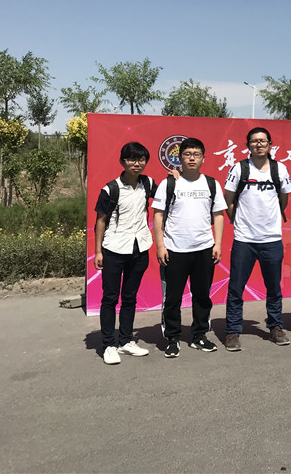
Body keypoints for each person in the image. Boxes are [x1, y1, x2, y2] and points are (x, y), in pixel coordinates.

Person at [152, 137, 226, 358]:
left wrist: (218, 243)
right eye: (187, 154)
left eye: (196, 154)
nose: (192, 158)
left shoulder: (211, 184)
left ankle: (199, 336)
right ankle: (172, 338)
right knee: (172, 298)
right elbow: (158, 215)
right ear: (180, 158)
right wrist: (160, 245)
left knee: (202, 296)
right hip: (175, 249)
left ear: (203, 158)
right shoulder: (169, 184)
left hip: (204, 248)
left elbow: (218, 215)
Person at [222, 127, 291, 351]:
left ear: (270, 144)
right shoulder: (239, 168)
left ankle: (275, 327)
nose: (259, 144)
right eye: (254, 141)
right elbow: (228, 199)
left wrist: (271, 220)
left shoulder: (280, 169)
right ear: (248, 145)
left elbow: (284, 199)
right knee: (236, 288)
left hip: (271, 239)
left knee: (274, 288)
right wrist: (238, 222)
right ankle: (233, 331)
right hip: (244, 239)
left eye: (263, 141)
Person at [93, 142, 156, 365]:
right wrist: (98, 251)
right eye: (131, 159)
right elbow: (100, 221)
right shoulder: (111, 189)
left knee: (130, 297)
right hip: (114, 249)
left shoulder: (148, 183)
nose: (136, 163)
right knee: (110, 298)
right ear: (122, 162)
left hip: (140, 247)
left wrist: (175, 177)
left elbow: (167, 197)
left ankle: (126, 341)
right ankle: (108, 345)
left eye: (141, 159)